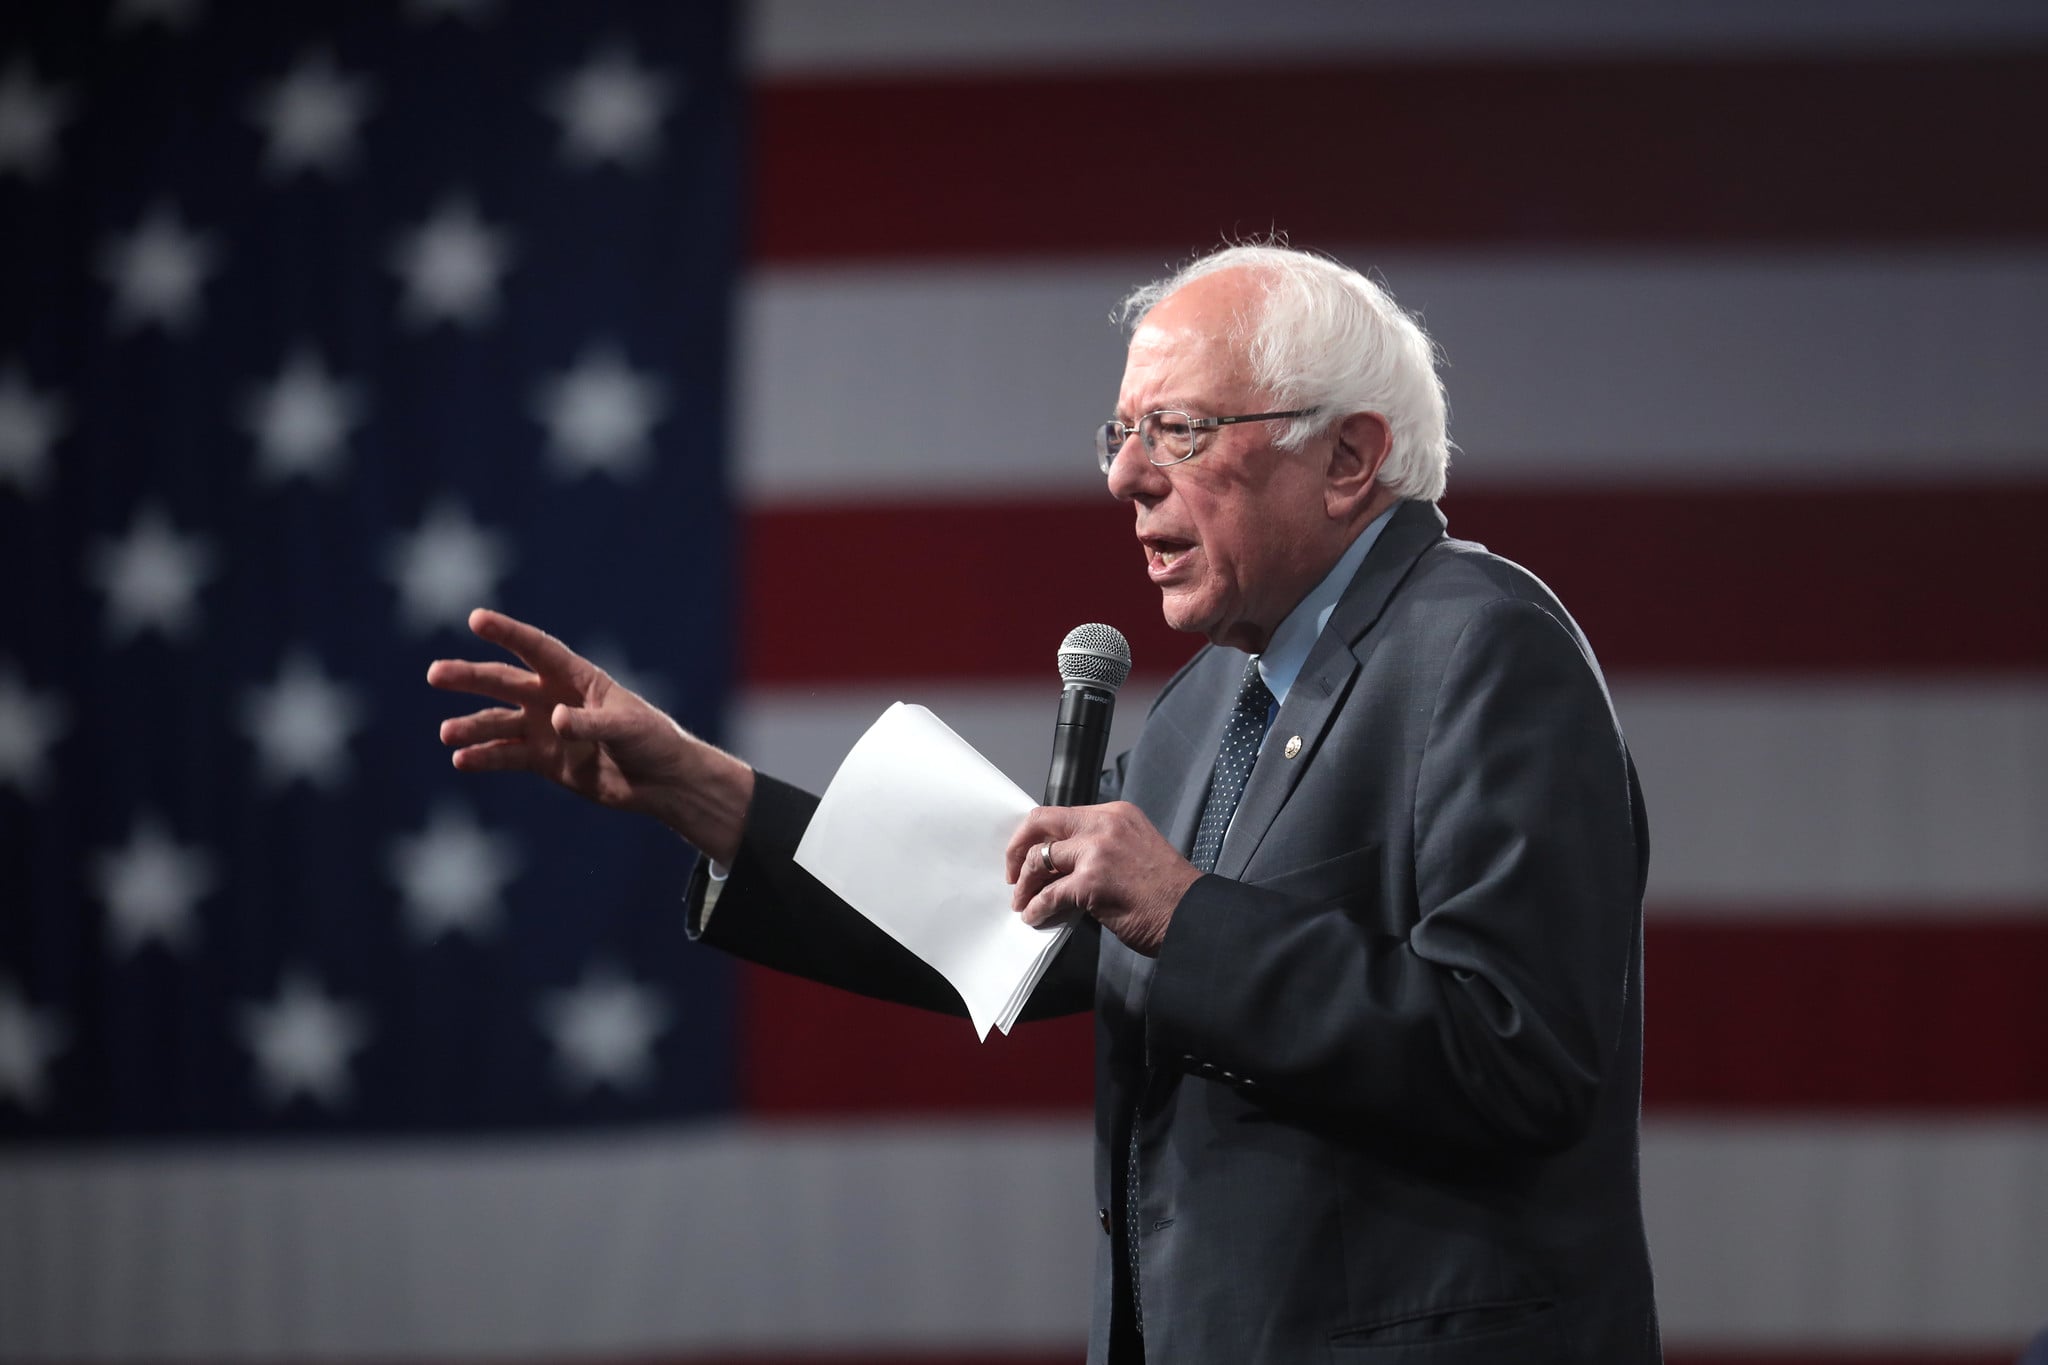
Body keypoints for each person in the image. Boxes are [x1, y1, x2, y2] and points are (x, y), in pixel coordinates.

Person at [430, 243, 1660, 1363]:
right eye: (1119, 433)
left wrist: (1181, 911)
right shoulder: (1205, 710)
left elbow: (1517, 1057)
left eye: (1177, 430)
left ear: (1347, 457)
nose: (1126, 478)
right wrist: (700, 790)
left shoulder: (1480, 646)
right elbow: (1002, 922)